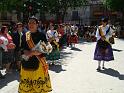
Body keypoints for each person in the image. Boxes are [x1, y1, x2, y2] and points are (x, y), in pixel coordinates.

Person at [18, 17, 52, 93]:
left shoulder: (42, 35)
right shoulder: (24, 35)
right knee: (27, 88)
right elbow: (21, 48)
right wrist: (25, 51)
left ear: (37, 24)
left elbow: (47, 48)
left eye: (33, 23)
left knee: (38, 88)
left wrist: (39, 52)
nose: (31, 24)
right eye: (29, 23)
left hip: (38, 63)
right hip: (26, 63)